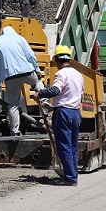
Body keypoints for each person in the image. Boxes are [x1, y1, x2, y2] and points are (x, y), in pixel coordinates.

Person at [36, 45, 83, 186]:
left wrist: (40, 93)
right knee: (73, 146)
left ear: (56, 60)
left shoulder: (61, 74)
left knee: (64, 146)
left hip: (63, 112)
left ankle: (70, 178)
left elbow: (55, 90)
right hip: (75, 112)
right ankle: (73, 174)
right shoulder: (78, 75)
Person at [0, 25, 41, 135]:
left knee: (13, 105)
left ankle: (15, 131)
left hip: (11, 77)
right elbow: (31, 56)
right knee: (37, 84)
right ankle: (44, 102)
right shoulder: (20, 39)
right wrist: (37, 70)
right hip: (27, 72)